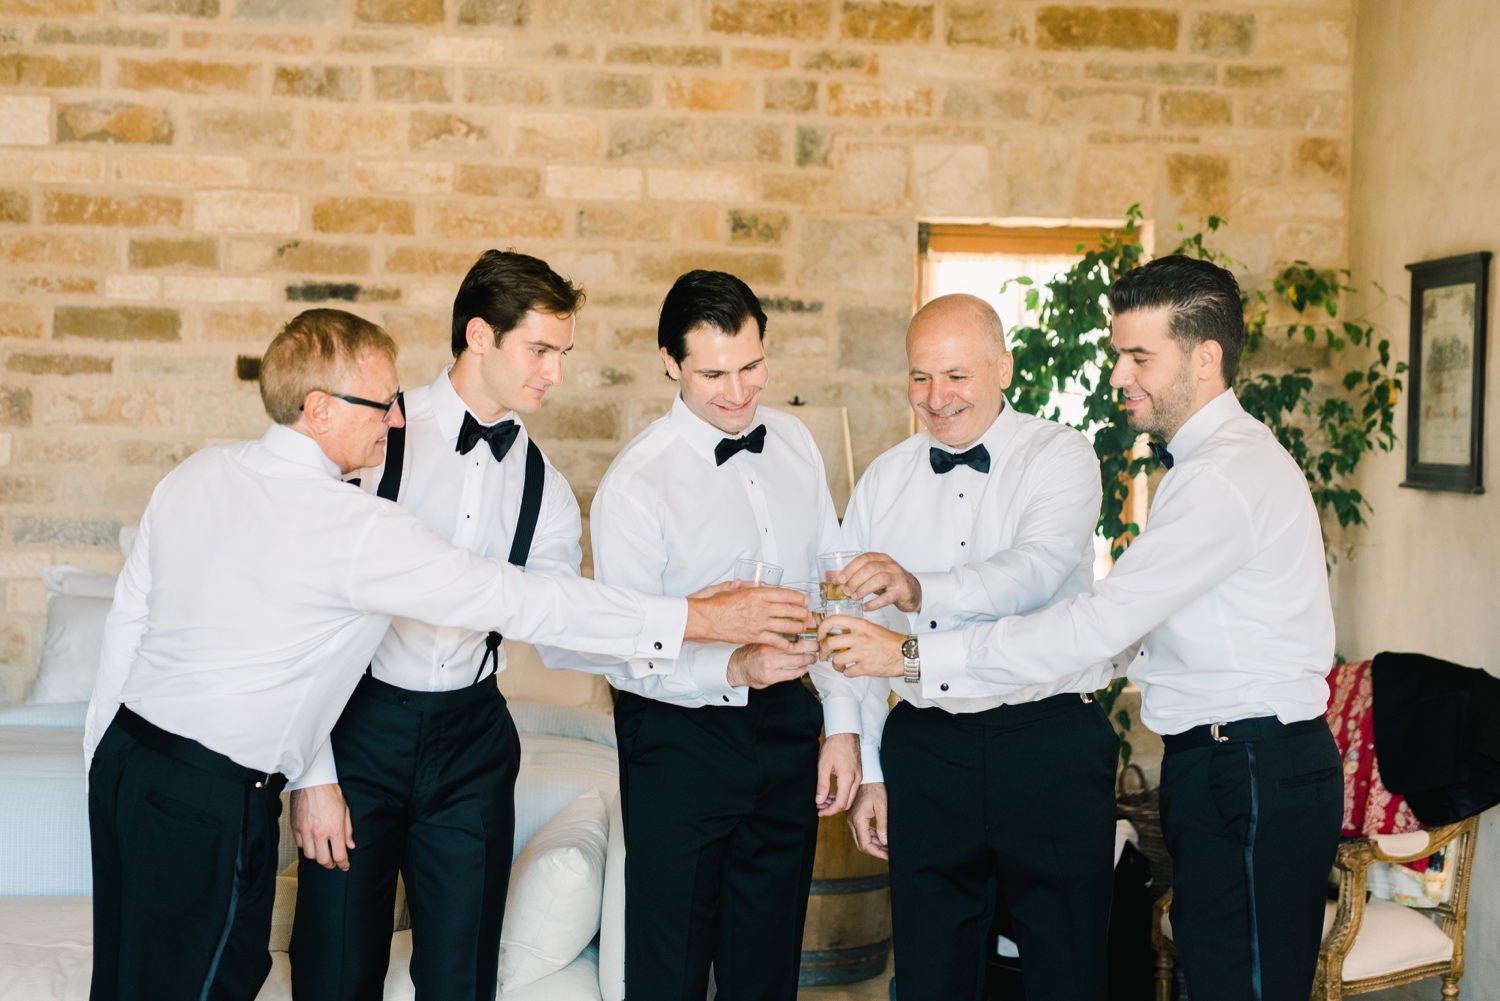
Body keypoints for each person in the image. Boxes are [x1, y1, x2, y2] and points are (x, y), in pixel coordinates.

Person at [82, 307, 812, 1001]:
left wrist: (97, 764)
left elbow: (130, 625)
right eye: (380, 403)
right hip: (211, 796)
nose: (398, 419)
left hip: (125, 763)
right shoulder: (356, 526)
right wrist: (699, 617)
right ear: (318, 408)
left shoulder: (197, 472)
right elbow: (521, 599)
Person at [820, 256, 1343, 1001]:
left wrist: (909, 651)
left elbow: (1090, 619)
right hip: (1218, 762)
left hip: (1241, 763)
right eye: (1117, 354)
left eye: (1140, 357)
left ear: (1205, 356)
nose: (1119, 377)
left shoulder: (1219, 476)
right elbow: (1135, 624)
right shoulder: (1205, 468)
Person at [286, 253, 615, 999]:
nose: (555, 374)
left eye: (563, 354)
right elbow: (303, 604)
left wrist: (693, 639)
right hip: (360, 728)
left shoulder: (548, 490)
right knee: (334, 970)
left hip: (473, 744)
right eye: (540, 350)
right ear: (478, 334)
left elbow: (563, 627)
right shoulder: (373, 434)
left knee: (463, 979)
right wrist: (314, 775)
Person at [584, 270, 865, 1001]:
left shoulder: (797, 442)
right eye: (714, 373)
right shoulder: (636, 484)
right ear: (670, 362)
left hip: (786, 728)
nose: (739, 392)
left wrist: (840, 724)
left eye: (751, 366)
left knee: (766, 966)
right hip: (677, 741)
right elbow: (623, 652)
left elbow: (827, 586)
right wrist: (733, 663)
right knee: (669, 967)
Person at [831, 293, 1117, 1001]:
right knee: (931, 975)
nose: (936, 397)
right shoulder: (883, 480)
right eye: (920, 377)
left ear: (1003, 367)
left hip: (1047, 739)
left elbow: (1033, 573)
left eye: (955, 374)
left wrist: (918, 587)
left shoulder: (1061, 456)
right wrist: (869, 765)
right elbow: (846, 628)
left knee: (1068, 969)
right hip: (926, 749)